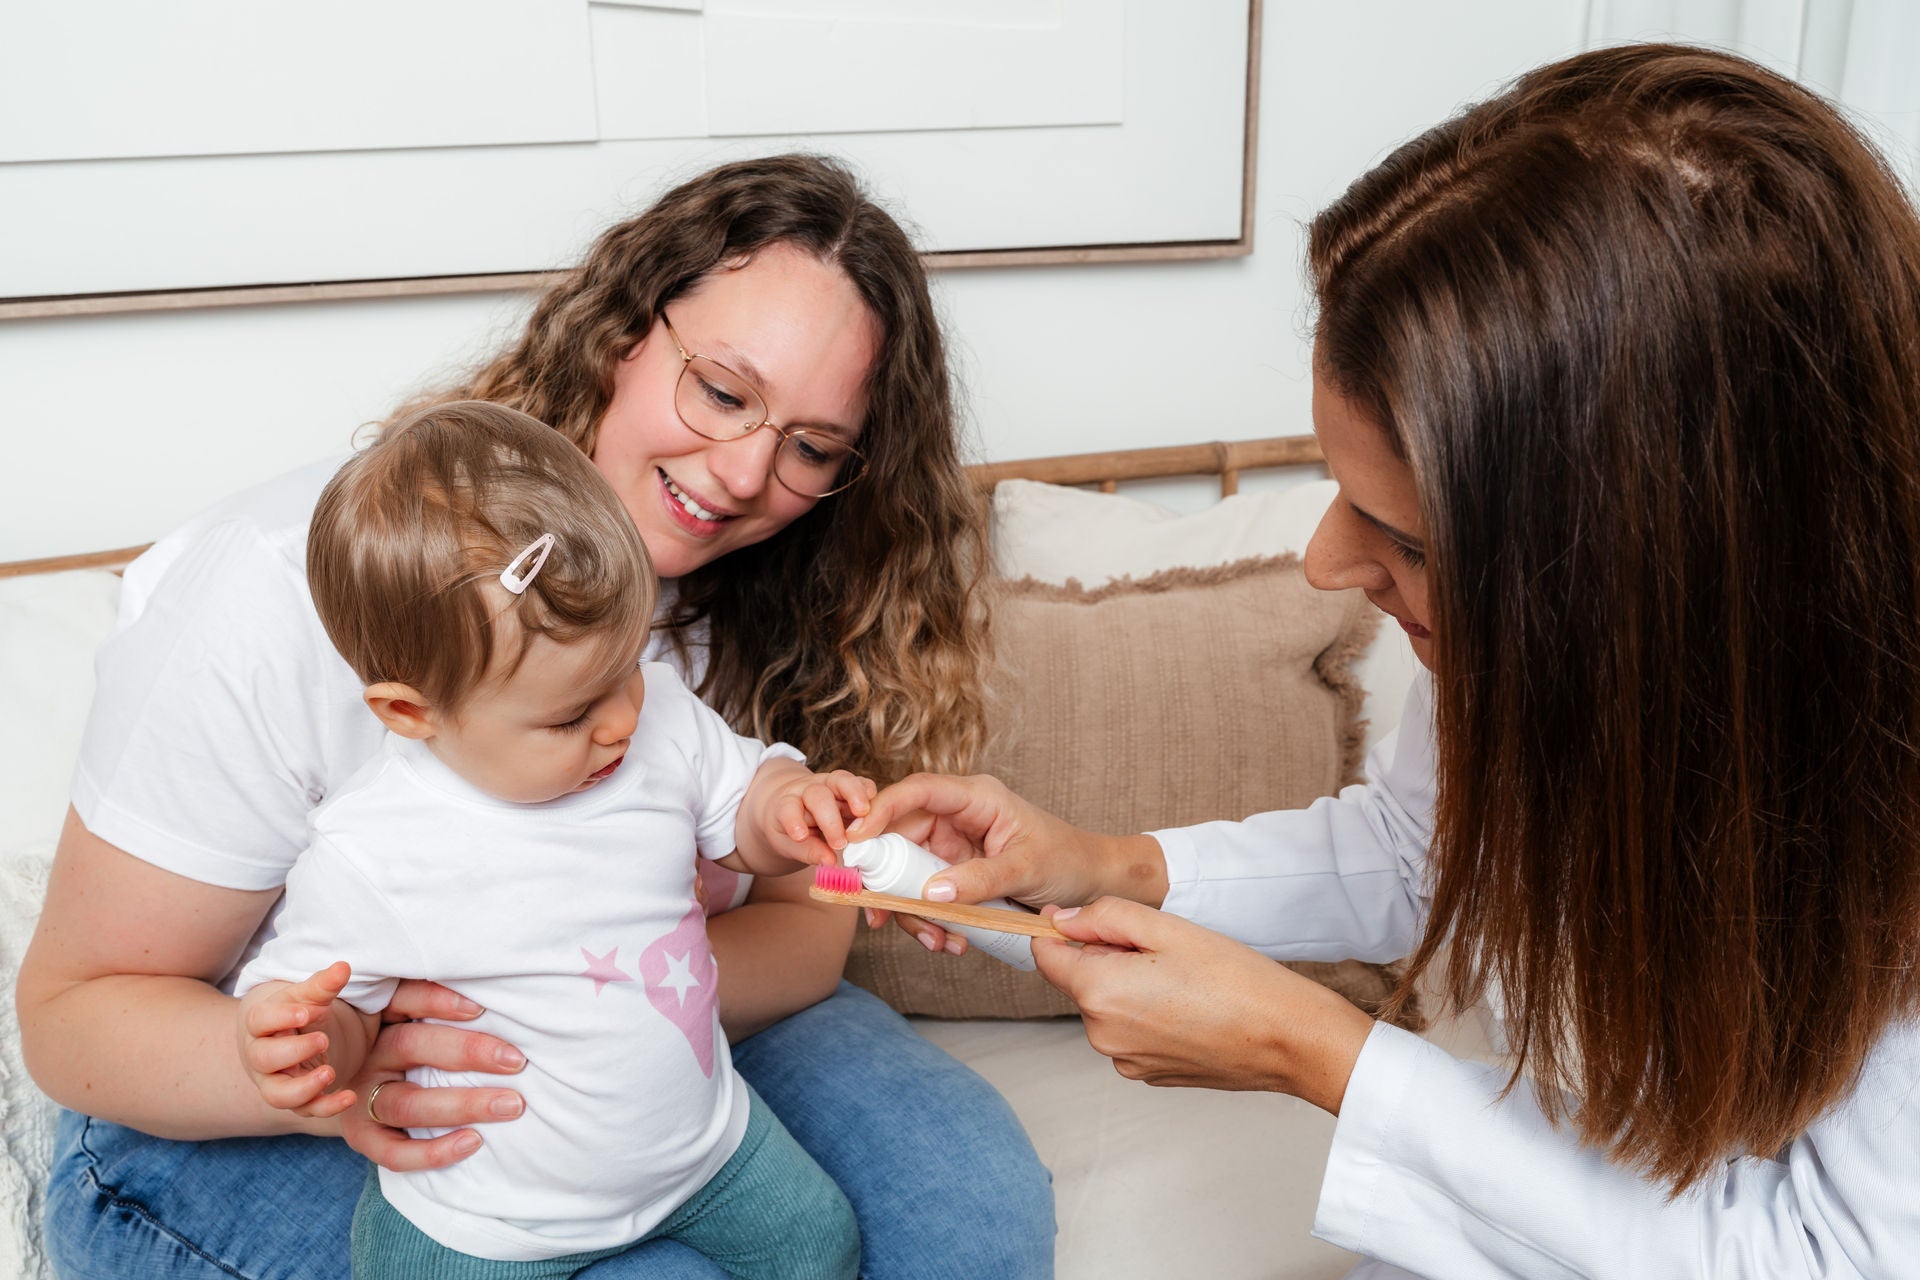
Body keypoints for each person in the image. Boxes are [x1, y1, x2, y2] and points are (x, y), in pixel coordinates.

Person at [852, 45, 1920, 1278]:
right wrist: (1108, 865)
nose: (1322, 561)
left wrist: (1314, 1049)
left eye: (1404, 539)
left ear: (1646, 577)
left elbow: (1823, 1257)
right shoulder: (1545, 663)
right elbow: (1428, 852)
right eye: (1338, 492)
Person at [20, 154, 1054, 1280]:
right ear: (620, 332)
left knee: (967, 1213)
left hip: (652, 1021)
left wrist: (589, 993)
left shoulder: (779, 588)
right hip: (236, 1101)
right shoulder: (278, 592)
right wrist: (344, 1064)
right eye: (721, 389)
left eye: (811, 447)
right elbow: (75, 1019)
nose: (749, 471)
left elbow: (803, 922)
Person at [237, 402, 865, 1279]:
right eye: (572, 714)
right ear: (412, 712)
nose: (620, 723)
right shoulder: (374, 849)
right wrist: (311, 1045)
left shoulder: (659, 719)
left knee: (821, 1242)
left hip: (708, 1150)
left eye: (627, 668)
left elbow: (743, 809)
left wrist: (791, 805)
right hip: (491, 1221)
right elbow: (337, 1012)